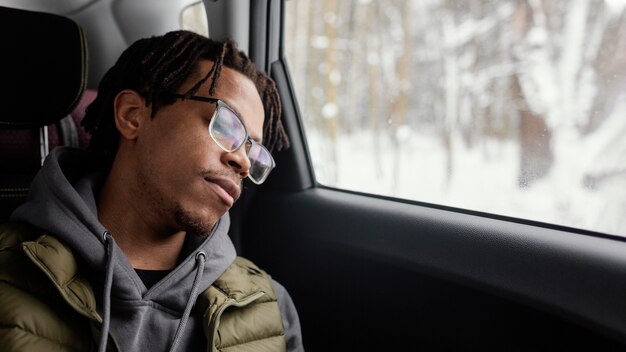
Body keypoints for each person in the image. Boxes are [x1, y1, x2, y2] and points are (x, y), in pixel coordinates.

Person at [0, 30, 303, 352]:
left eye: (254, 150)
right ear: (133, 115)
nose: (242, 161)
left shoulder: (269, 308)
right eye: (227, 126)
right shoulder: (9, 276)